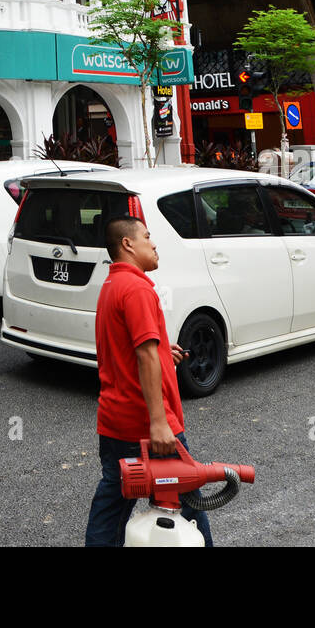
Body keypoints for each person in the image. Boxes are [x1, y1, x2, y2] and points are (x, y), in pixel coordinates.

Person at [85, 215, 214, 547]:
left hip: (115, 421)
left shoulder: (112, 286)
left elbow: (133, 349)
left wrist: (158, 352)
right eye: (147, 236)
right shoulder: (138, 289)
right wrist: (159, 423)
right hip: (146, 425)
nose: (154, 243)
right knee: (190, 505)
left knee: (111, 508)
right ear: (127, 244)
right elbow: (142, 355)